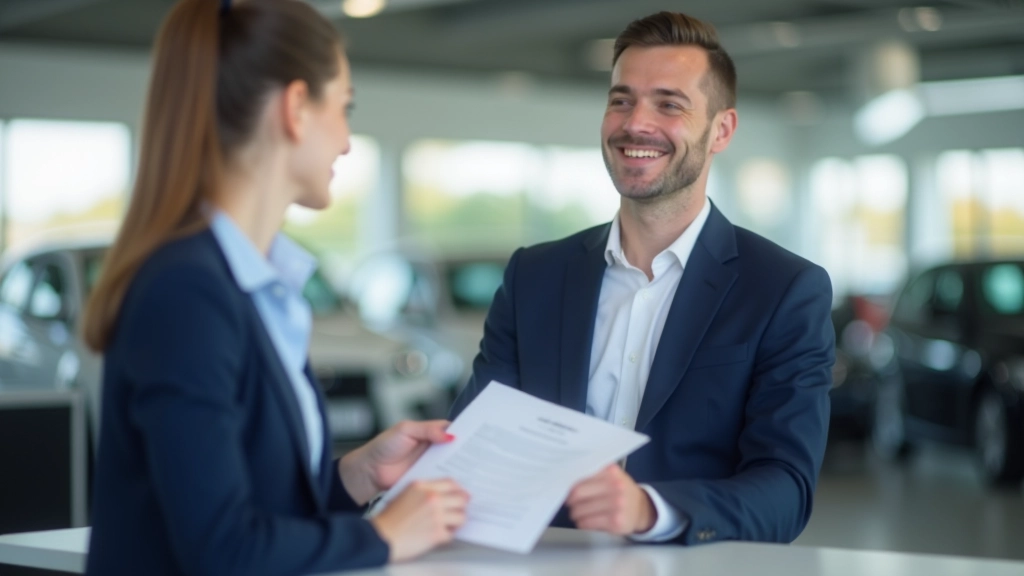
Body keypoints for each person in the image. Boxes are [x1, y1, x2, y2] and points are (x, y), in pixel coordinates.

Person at [82, 1, 468, 574]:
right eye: (344, 107)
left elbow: (258, 507)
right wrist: (385, 536)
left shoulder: (257, 287)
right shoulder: (187, 290)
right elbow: (222, 547)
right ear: (295, 109)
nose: (345, 141)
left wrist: (355, 475)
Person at [450, 11, 834, 546]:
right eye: (621, 100)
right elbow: (476, 447)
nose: (636, 124)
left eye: (669, 104)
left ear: (721, 129)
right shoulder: (533, 277)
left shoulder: (783, 290)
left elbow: (785, 491)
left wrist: (648, 510)